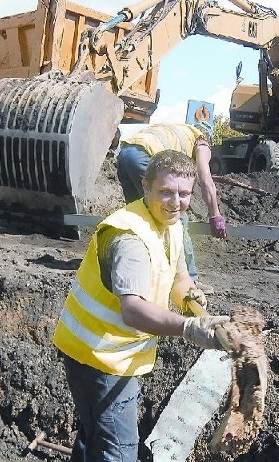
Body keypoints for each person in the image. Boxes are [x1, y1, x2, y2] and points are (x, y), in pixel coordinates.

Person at [52, 150, 231, 462]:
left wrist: (190, 298)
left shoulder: (171, 223)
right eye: (165, 192)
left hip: (109, 352)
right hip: (98, 356)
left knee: (94, 433)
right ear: (145, 186)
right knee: (119, 451)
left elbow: (178, 276)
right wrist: (189, 327)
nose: (176, 202)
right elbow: (133, 309)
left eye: (184, 194)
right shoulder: (129, 237)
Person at [116, 122, 227, 294]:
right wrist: (215, 215)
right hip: (145, 157)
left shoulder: (180, 130)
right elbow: (206, 180)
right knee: (175, 217)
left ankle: (138, 268)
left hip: (125, 153)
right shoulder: (201, 142)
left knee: (138, 214)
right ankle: (191, 280)